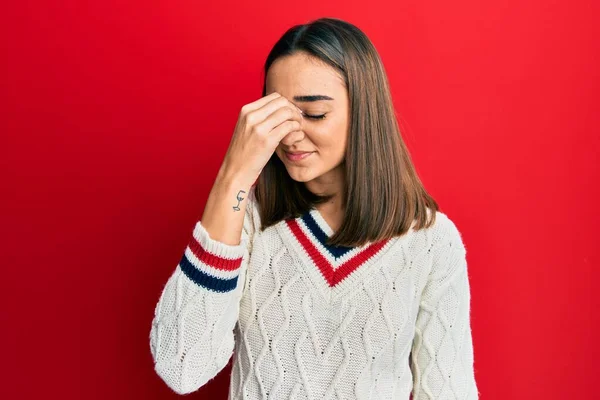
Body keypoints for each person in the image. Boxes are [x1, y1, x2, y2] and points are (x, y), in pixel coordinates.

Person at [149, 17, 479, 400]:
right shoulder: (247, 220)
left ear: (364, 113)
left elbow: (448, 392)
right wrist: (233, 177)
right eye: (277, 114)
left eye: (315, 113)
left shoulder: (431, 242)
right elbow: (181, 365)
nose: (290, 134)